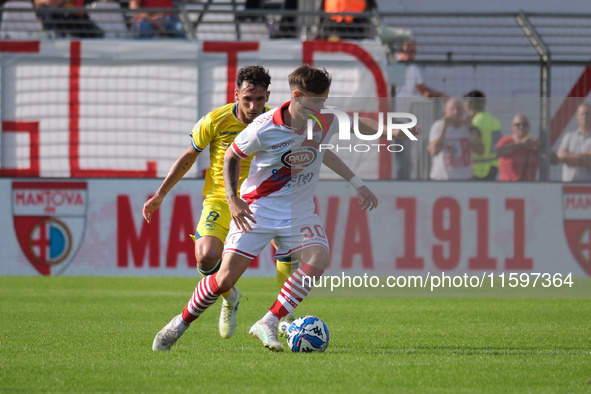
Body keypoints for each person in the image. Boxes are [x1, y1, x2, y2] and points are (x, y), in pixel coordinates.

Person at [150, 64, 419, 352]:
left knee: (319, 257)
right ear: (296, 95)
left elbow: (357, 124)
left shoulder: (324, 118)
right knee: (224, 278)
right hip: (259, 209)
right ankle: (179, 323)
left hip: (299, 210)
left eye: (324, 100)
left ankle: (269, 320)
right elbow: (231, 156)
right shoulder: (264, 127)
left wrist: (393, 131)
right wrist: (232, 199)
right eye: (316, 100)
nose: (322, 106)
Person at [143, 65, 278, 342]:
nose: (253, 107)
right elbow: (189, 156)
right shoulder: (216, 120)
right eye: (247, 99)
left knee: (289, 255)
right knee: (205, 257)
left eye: (260, 99)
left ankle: (280, 320)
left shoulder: (276, 122)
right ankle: (229, 297)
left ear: (267, 96)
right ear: (236, 94)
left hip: (261, 200)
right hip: (220, 198)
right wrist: (160, 194)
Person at [394, 38, 447, 180]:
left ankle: (403, 185)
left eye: (414, 52)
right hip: (391, 119)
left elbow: (423, 90)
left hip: (404, 119)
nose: (412, 55)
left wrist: (441, 96)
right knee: (397, 158)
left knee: (406, 159)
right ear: (400, 51)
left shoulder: (413, 68)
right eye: (409, 51)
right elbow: (391, 91)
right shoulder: (394, 65)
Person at [427, 98, 483, 180]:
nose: (456, 112)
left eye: (459, 109)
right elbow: (433, 151)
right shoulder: (438, 126)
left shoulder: (469, 128)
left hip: (465, 178)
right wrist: (444, 130)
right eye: (452, 109)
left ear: (463, 112)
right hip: (442, 178)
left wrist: (471, 129)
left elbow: (481, 151)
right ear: (445, 112)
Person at [463, 90, 502, 181]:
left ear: (469, 104)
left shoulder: (473, 122)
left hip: (478, 169)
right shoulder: (494, 120)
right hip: (494, 166)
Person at [496, 114, 539, 181]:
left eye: (525, 124)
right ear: (512, 127)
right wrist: (521, 144)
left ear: (529, 127)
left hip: (528, 185)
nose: (521, 127)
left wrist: (542, 148)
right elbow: (499, 152)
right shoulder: (506, 140)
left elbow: (555, 160)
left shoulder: (534, 143)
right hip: (507, 184)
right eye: (517, 125)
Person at [556, 102, 591, 182]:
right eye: (582, 114)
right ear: (577, 117)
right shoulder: (569, 136)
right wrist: (586, 158)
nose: (584, 117)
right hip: (568, 187)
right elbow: (561, 156)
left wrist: (570, 158)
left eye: (587, 114)